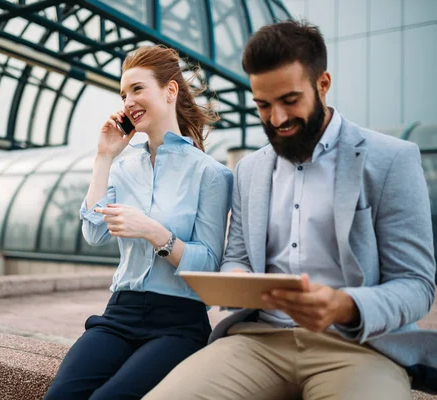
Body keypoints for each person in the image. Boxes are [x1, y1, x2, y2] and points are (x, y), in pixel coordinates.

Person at [144, 20, 437, 399]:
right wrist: (234, 280)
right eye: (263, 105)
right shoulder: (250, 169)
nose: (277, 119)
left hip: (362, 347)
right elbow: (238, 257)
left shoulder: (391, 159)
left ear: (323, 84)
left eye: (290, 101)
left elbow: (416, 286)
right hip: (258, 342)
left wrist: (345, 306)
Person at [43, 45, 233, 400]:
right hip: (120, 311)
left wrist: (152, 231)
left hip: (178, 321)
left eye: (137, 89)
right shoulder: (124, 168)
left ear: (170, 90)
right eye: (123, 94)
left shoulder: (211, 174)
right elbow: (94, 231)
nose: (127, 101)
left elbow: (209, 266)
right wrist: (103, 157)